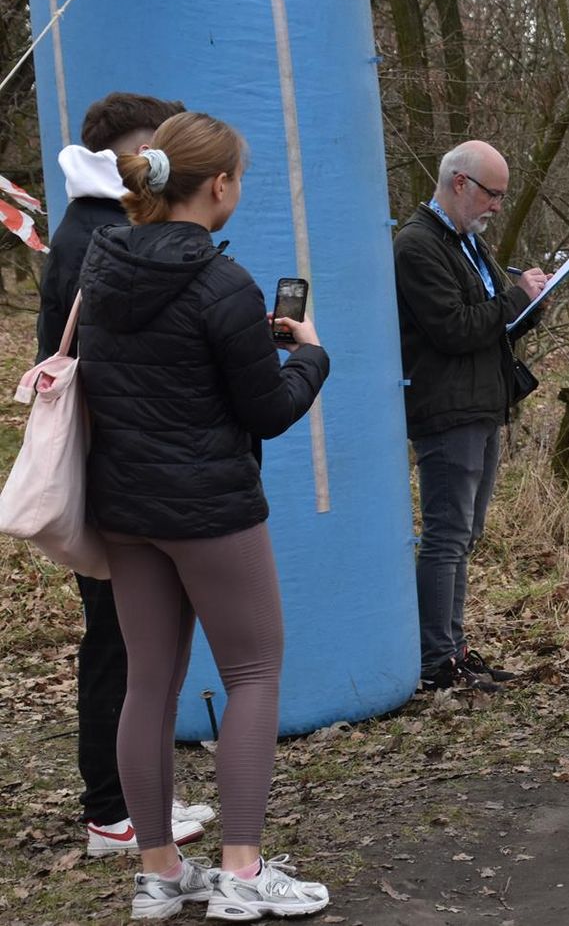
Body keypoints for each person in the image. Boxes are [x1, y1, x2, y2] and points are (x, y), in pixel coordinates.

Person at [76, 111, 331, 920]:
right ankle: (242, 873)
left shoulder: (100, 265)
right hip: (212, 507)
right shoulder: (225, 285)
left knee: (149, 680)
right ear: (219, 185)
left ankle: (158, 873)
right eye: (239, 178)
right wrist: (310, 355)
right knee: (253, 671)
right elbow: (268, 409)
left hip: (124, 507)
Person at [33, 92, 218, 857]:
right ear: (130, 152)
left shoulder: (94, 226)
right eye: (160, 146)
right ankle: (114, 810)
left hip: (116, 464)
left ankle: (133, 800)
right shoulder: (100, 235)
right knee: (118, 642)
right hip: (112, 469)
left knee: (131, 641)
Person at [393, 141, 547, 693]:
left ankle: (451, 649)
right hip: (446, 410)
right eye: (492, 194)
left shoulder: (464, 241)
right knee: (447, 536)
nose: (497, 206)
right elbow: (454, 328)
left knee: (465, 534)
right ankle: (436, 659)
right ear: (460, 183)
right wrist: (515, 299)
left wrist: (529, 304)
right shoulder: (417, 245)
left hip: (479, 406)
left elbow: (491, 324)